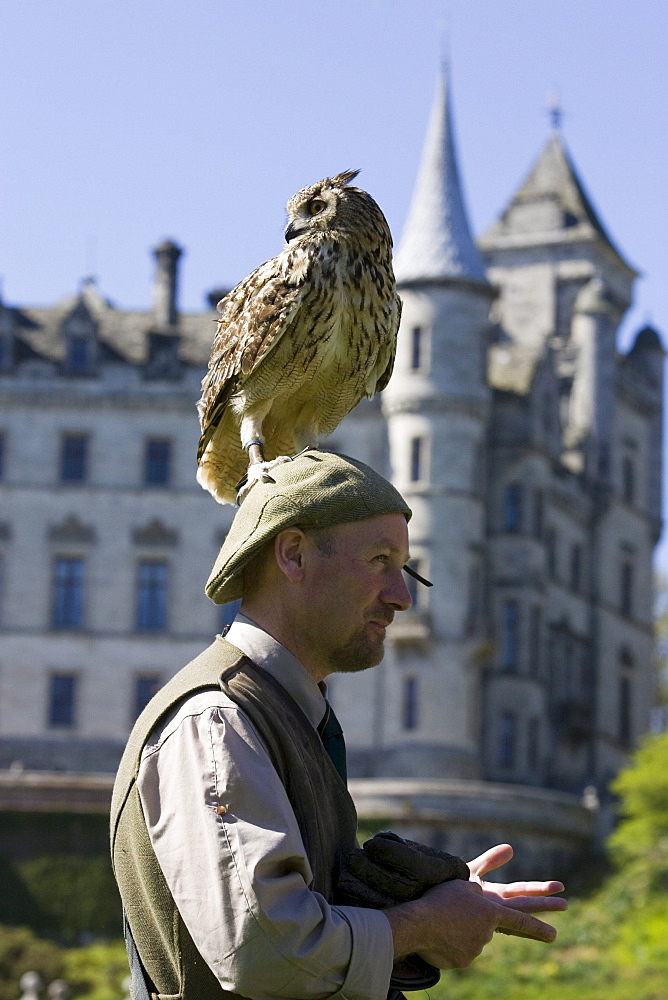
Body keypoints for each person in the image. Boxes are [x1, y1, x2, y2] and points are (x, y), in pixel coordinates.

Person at [111, 449, 567, 1000]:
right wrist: (421, 925)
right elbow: (267, 952)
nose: (402, 597)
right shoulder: (217, 720)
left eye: (407, 570)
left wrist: (423, 907)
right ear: (294, 555)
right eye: (380, 561)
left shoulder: (287, 714)